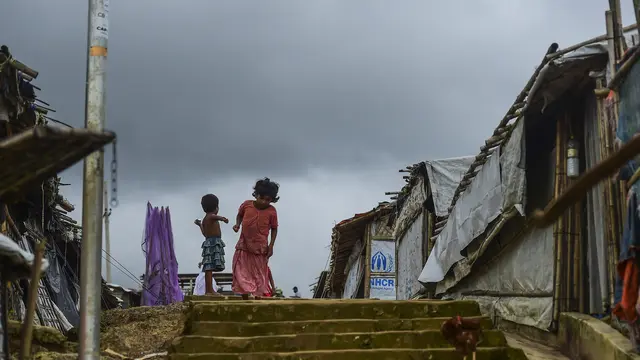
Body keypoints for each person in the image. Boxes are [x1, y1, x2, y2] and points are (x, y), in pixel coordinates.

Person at [232, 178, 279, 300]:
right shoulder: (247, 205)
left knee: (259, 274)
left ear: (272, 200)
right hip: (244, 246)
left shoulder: (272, 212)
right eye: (261, 198)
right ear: (256, 195)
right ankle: (246, 293)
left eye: (267, 200)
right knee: (241, 270)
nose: (263, 202)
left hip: (260, 248)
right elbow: (239, 215)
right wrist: (237, 224)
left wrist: (271, 246)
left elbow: (274, 228)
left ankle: (258, 295)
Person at [196, 194, 228, 295]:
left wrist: (200, 225)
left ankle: (209, 290)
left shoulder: (206, 219)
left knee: (209, 268)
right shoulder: (211, 216)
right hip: (213, 243)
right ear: (216, 207)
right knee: (209, 268)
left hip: (210, 242)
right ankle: (209, 290)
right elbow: (215, 217)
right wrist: (222, 218)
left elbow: (205, 233)